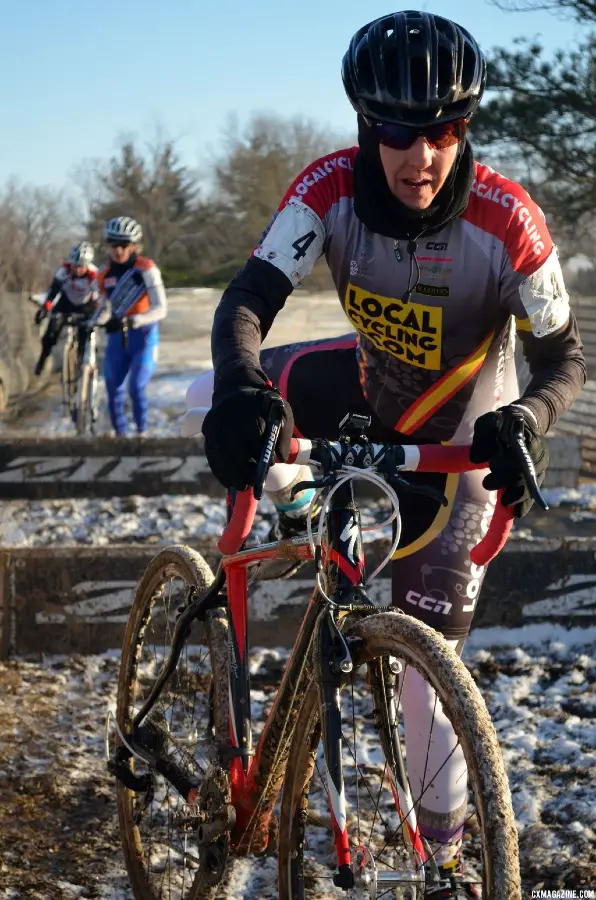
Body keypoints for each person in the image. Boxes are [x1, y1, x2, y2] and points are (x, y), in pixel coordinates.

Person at [186, 10, 585, 897]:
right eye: (398, 131)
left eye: (443, 130)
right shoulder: (325, 188)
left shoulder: (509, 220)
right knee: (221, 397)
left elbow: (566, 356)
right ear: (366, 126)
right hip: (371, 388)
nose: (422, 155)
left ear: (465, 128)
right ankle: (240, 590)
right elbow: (247, 301)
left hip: (463, 419)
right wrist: (239, 389)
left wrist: (530, 418)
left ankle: (441, 854)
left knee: (431, 639)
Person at [94, 216, 167, 436]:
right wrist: (96, 322)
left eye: (124, 245)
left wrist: (134, 320)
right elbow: (104, 309)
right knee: (112, 389)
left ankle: (142, 433)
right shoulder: (102, 274)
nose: (118, 250)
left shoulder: (146, 268)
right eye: (114, 245)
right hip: (118, 338)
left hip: (144, 336)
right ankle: (121, 437)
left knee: (135, 388)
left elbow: (161, 309)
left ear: (133, 245)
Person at [34, 242, 98, 376]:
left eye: (81, 266)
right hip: (66, 302)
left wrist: (95, 316)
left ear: (87, 265)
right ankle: (43, 358)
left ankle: (82, 365)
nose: (77, 269)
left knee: (84, 335)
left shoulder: (93, 275)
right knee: (51, 331)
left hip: (85, 305)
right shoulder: (64, 270)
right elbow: (53, 292)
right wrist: (45, 308)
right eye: (75, 265)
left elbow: (98, 298)